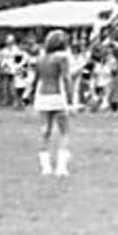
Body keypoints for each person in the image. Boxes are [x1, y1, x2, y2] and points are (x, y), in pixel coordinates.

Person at [32, 30, 77, 177]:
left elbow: (36, 79)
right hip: (57, 95)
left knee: (45, 131)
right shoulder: (62, 58)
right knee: (64, 132)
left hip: (42, 96)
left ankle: (46, 168)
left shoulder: (40, 58)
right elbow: (66, 78)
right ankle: (61, 167)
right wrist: (71, 101)